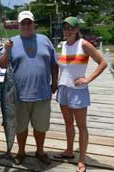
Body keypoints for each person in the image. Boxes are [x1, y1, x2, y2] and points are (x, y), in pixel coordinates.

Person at [0, 11, 58, 165]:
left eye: (28, 23)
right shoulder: (11, 42)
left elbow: (54, 64)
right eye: (23, 23)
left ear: (33, 24)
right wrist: (7, 50)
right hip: (18, 95)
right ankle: (21, 151)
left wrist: (55, 83)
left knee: (41, 126)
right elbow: (2, 64)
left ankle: (40, 150)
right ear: (19, 25)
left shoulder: (45, 40)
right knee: (20, 128)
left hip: (42, 93)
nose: (26, 26)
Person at [54, 17, 107, 172]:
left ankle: (82, 159)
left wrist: (88, 79)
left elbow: (102, 62)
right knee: (68, 123)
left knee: (81, 126)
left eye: (71, 28)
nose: (67, 31)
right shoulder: (63, 45)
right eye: (65, 28)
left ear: (77, 29)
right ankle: (69, 150)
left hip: (78, 91)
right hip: (63, 89)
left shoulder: (83, 44)